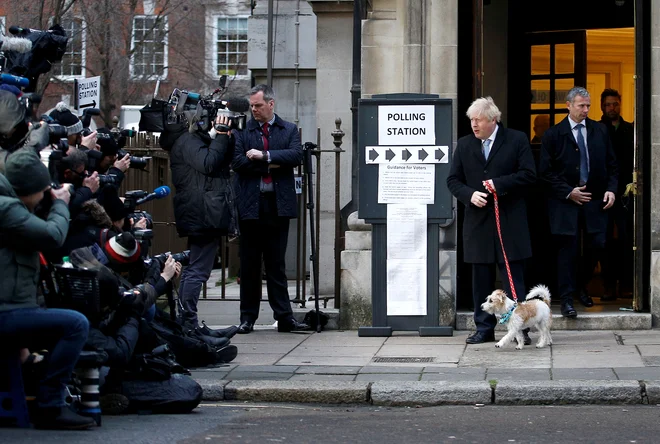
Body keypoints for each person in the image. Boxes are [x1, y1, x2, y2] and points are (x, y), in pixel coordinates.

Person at [0, 150, 95, 430]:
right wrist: (61, 204)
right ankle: (51, 405)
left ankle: (36, 378)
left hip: (10, 308)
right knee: (76, 324)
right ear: (26, 190)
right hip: (6, 313)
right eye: (41, 191)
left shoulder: (11, 206)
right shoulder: (7, 208)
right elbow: (53, 236)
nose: (44, 196)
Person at [447, 96, 537, 345]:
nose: (474, 125)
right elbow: (453, 180)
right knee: (481, 280)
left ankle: (522, 329)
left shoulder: (516, 139)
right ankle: (484, 328)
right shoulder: (465, 144)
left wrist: (500, 184)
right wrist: (469, 194)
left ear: (493, 120)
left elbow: (529, 175)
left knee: (513, 279)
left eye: (478, 120)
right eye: (471, 120)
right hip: (478, 224)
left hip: (509, 221)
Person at [232, 84, 309, 334]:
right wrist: (272, 164)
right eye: (252, 106)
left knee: (276, 265)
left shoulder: (288, 129)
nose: (253, 110)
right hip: (250, 204)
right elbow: (239, 162)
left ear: (271, 104)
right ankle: (247, 318)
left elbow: (296, 156)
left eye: (258, 105)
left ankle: (284, 317)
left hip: (277, 205)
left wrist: (264, 156)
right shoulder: (243, 130)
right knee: (250, 264)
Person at [539, 86, 618, 318]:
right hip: (565, 202)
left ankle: (582, 286)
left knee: (597, 244)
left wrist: (611, 190)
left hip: (594, 199)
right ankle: (566, 299)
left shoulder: (600, 131)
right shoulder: (554, 134)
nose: (585, 110)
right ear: (569, 105)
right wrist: (568, 191)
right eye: (581, 106)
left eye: (588, 106)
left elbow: (613, 165)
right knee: (567, 250)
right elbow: (545, 172)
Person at [160, 110, 235, 338]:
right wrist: (220, 135)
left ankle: (188, 323)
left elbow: (221, 161)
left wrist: (226, 137)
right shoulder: (187, 141)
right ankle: (188, 324)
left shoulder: (191, 140)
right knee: (198, 270)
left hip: (204, 209)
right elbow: (208, 163)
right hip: (201, 211)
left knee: (197, 267)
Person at [599, 88, 634, 300]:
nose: (612, 108)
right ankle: (608, 286)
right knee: (603, 242)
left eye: (615, 104)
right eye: (608, 105)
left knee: (627, 239)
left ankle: (628, 284)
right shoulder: (596, 129)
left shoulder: (630, 129)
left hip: (626, 193)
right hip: (602, 193)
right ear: (602, 107)